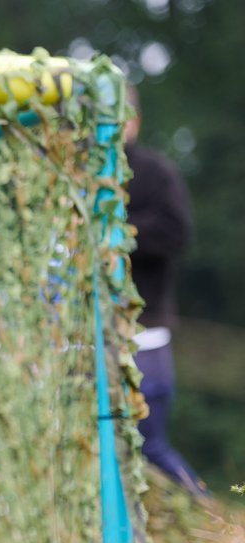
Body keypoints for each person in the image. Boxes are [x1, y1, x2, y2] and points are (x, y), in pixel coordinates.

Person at [123, 85, 207, 496]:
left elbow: (176, 233)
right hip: (87, 342)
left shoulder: (155, 173)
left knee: (151, 445)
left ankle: (218, 526)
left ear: (134, 120)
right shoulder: (77, 176)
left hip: (144, 332)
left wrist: (118, 232)